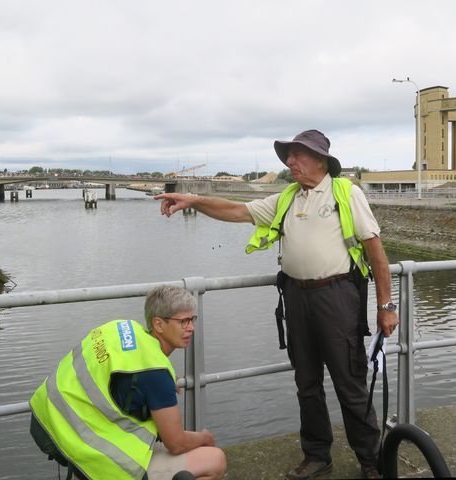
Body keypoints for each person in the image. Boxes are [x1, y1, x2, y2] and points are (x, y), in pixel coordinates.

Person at [156, 129, 399, 480]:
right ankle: (317, 456)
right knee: (307, 382)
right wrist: (193, 200)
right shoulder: (287, 197)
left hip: (337, 296)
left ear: (320, 159)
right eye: (288, 155)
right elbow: (237, 211)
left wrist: (386, 306)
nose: (290, 162)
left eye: (297, 155)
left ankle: (371, 460)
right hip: (296, 298)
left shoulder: (346, 193)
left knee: (350, 383)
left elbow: (376, 252)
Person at [29, 285, 227, 480]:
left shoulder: (120, 328)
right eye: (183, 321)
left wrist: (164, 377)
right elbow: (175, 443)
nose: (191, 327)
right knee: (216, 460)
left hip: (50, 422)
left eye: (192, 319)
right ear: (158, 324)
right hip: (96, 459)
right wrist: (204, 437)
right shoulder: (155, 373)